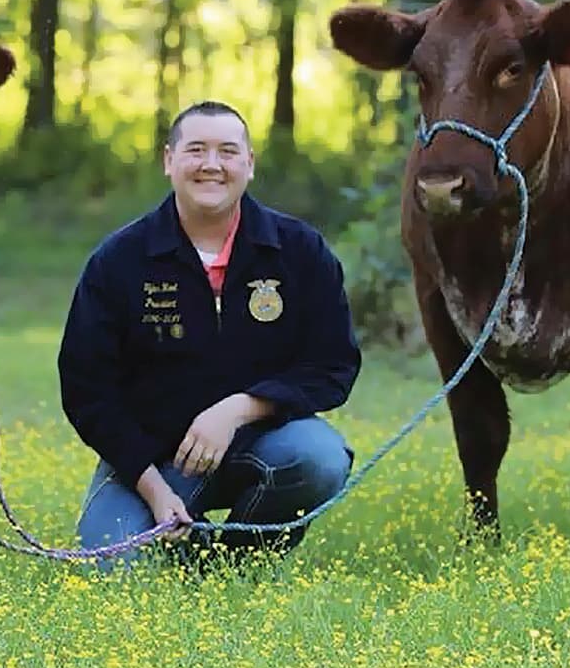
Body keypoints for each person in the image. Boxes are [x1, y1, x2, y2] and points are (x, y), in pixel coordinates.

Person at [58, 100, 363, 571]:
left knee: (319, 459)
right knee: (113, 570)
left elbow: (332, 366)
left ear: (249, 164)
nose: (211, 165)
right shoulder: (119, 260)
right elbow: (87, 391)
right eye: (196, 150)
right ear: (169, 161)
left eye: (227, 151)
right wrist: (153, 490)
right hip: (154, 462)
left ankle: (231, 566)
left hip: (266, 445)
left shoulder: (300, 250)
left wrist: (239, 409)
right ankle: (178, 537)